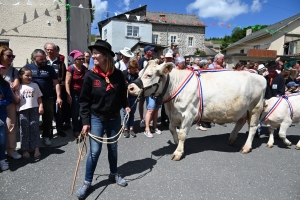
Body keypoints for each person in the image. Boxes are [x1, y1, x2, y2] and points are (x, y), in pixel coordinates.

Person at [77, 40, 130, 199]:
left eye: (96, 53)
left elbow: (122, 94)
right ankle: (87, 182)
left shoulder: (118, 75)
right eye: (92, 53)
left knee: (113, 148)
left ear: (106, 56)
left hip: (114, 117)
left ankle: (114, 174)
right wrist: (85, 122)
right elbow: (84, 101)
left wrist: (125, 106)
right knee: (94, 151)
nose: (93, 56)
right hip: (96, 118)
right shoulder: (90, 76)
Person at [24, 49, 62, 146]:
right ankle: (33, 139)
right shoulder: (28, 67)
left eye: (45, 58)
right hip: (32, 98)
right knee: (33, 120)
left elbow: (56, 83)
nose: (44, 60)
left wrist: (58, 96)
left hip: (48, 97)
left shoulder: (50, 68)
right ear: (34, 58)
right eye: (41, 59)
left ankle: (46, 136)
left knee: (48, 118)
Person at [16, 67, 43, 159]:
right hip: (22, 110)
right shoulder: (18, 86)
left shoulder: (34, 85)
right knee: (24, 130)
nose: (29, 77)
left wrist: (41, 106)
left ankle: (36, 148)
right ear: (20, 75)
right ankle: (25, 149)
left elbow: (39, 97)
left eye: (31, 75)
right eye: (27, 75)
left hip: (34, 109)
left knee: (34, 128)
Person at [0, 46, 22, 160]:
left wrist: (10, 84)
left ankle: (11, 150)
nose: (11, 58)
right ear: (1, 56)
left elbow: (16, 85)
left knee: (11, 126)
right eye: (9, 56)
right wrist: (9, 84)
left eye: (13, 56)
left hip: (9, 101)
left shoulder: (14, 70)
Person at [44, 42, 68, 137]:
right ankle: (49, 131)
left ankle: (60, 129)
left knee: (59, 111)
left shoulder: (61, 63)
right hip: (46, 92)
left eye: (51, 49)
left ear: (55, 51)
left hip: (58, 91)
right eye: (48, 49)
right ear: (46, 50)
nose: (49, 51)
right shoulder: (43, 62)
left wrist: (61, 88)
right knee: (48, 112)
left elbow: (63, 77)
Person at [257, 60, 285, 138]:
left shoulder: (280, 78)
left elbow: (282, 90)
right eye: (269, 68)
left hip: (276, 100)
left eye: (272, 68)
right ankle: (257, 131)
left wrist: (278, 97)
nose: (271, 70)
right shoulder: (265, 78)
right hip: (266, 99)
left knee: (279, 116)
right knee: (260, 115)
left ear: (275, 68)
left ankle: (279, 132)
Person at [65, 50, 86, 137]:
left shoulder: (84, 68)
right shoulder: (71, 68)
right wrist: (68, 95)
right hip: (74, 93)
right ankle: (76, 129)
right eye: (80, 59)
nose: (82, 60)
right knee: (75, 112)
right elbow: (67, 82)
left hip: (83, 93)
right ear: (75, 60)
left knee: (83, 111)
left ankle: (82, 128)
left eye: (83, 59)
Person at [0, 64, 13, 170]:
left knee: (2, 139)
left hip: (1, 115)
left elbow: (9, 99)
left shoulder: (4, 84)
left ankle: (2, 159)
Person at [138, 45, 154, 128]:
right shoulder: (142, 60)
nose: (153, 52)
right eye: (151, 50)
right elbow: (138, 70)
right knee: (141, 102)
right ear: (147, 51)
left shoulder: (152, 60)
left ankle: (149, 119)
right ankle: (141, 119)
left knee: (149, 103)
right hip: (143, 85)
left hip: (150, 85)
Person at [122, 60, 139, 138]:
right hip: (125, 97)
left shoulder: (136, 75)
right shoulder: (124, 73)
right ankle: (125, 129)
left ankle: (131, 128)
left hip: (134, 96)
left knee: (132, 113)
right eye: (134, 69)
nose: (135, 71)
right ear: (130, 68)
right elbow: (121, 85)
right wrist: (127, 84)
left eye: (136, 69)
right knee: (126, 113)